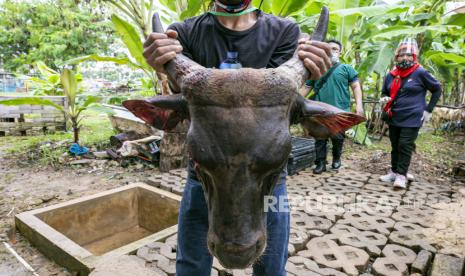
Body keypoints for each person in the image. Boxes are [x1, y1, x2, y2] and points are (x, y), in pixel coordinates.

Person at [142, 1, 332, 275]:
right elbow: (182, 91)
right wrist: (160, 62)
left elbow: (282, 98)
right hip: (206, 171)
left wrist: (314, 65)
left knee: (271, 267)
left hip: (266, 172)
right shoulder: (183, 33)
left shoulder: (284, 31)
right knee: (191, 265)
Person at [378, 38, 442, 189]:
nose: (405, 58)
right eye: (401, 55)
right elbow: (384, 92)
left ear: (414, 57)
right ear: (397, 57)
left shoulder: (420, 72)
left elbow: (437, 89)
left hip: (413, 116)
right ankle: (394, 172)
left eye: (409, 55)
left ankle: (401, 175)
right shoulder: (391, 75)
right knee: (394, 145)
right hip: (394, 116)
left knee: (405, 145)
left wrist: (429, 110)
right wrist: (384, 100)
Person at [300, 39, 364, 174]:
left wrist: (359, 105)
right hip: (320, 110)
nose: (331, 51)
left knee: (338, 137)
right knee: (319, 138)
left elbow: (355, 86)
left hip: (340, 110)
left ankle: (336, 158)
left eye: (334, 49)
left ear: (339, 53)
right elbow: (307, 87)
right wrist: (295, 101)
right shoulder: (317, 70)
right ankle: (320, 163)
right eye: (329, 49)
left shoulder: (346, 69)